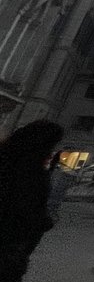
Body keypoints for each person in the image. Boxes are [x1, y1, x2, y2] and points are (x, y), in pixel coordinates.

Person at [0, 119, 64, 282]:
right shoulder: (32, 174)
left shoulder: (10, 162)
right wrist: (45, 221)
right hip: (10, 249)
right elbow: (27, 212)